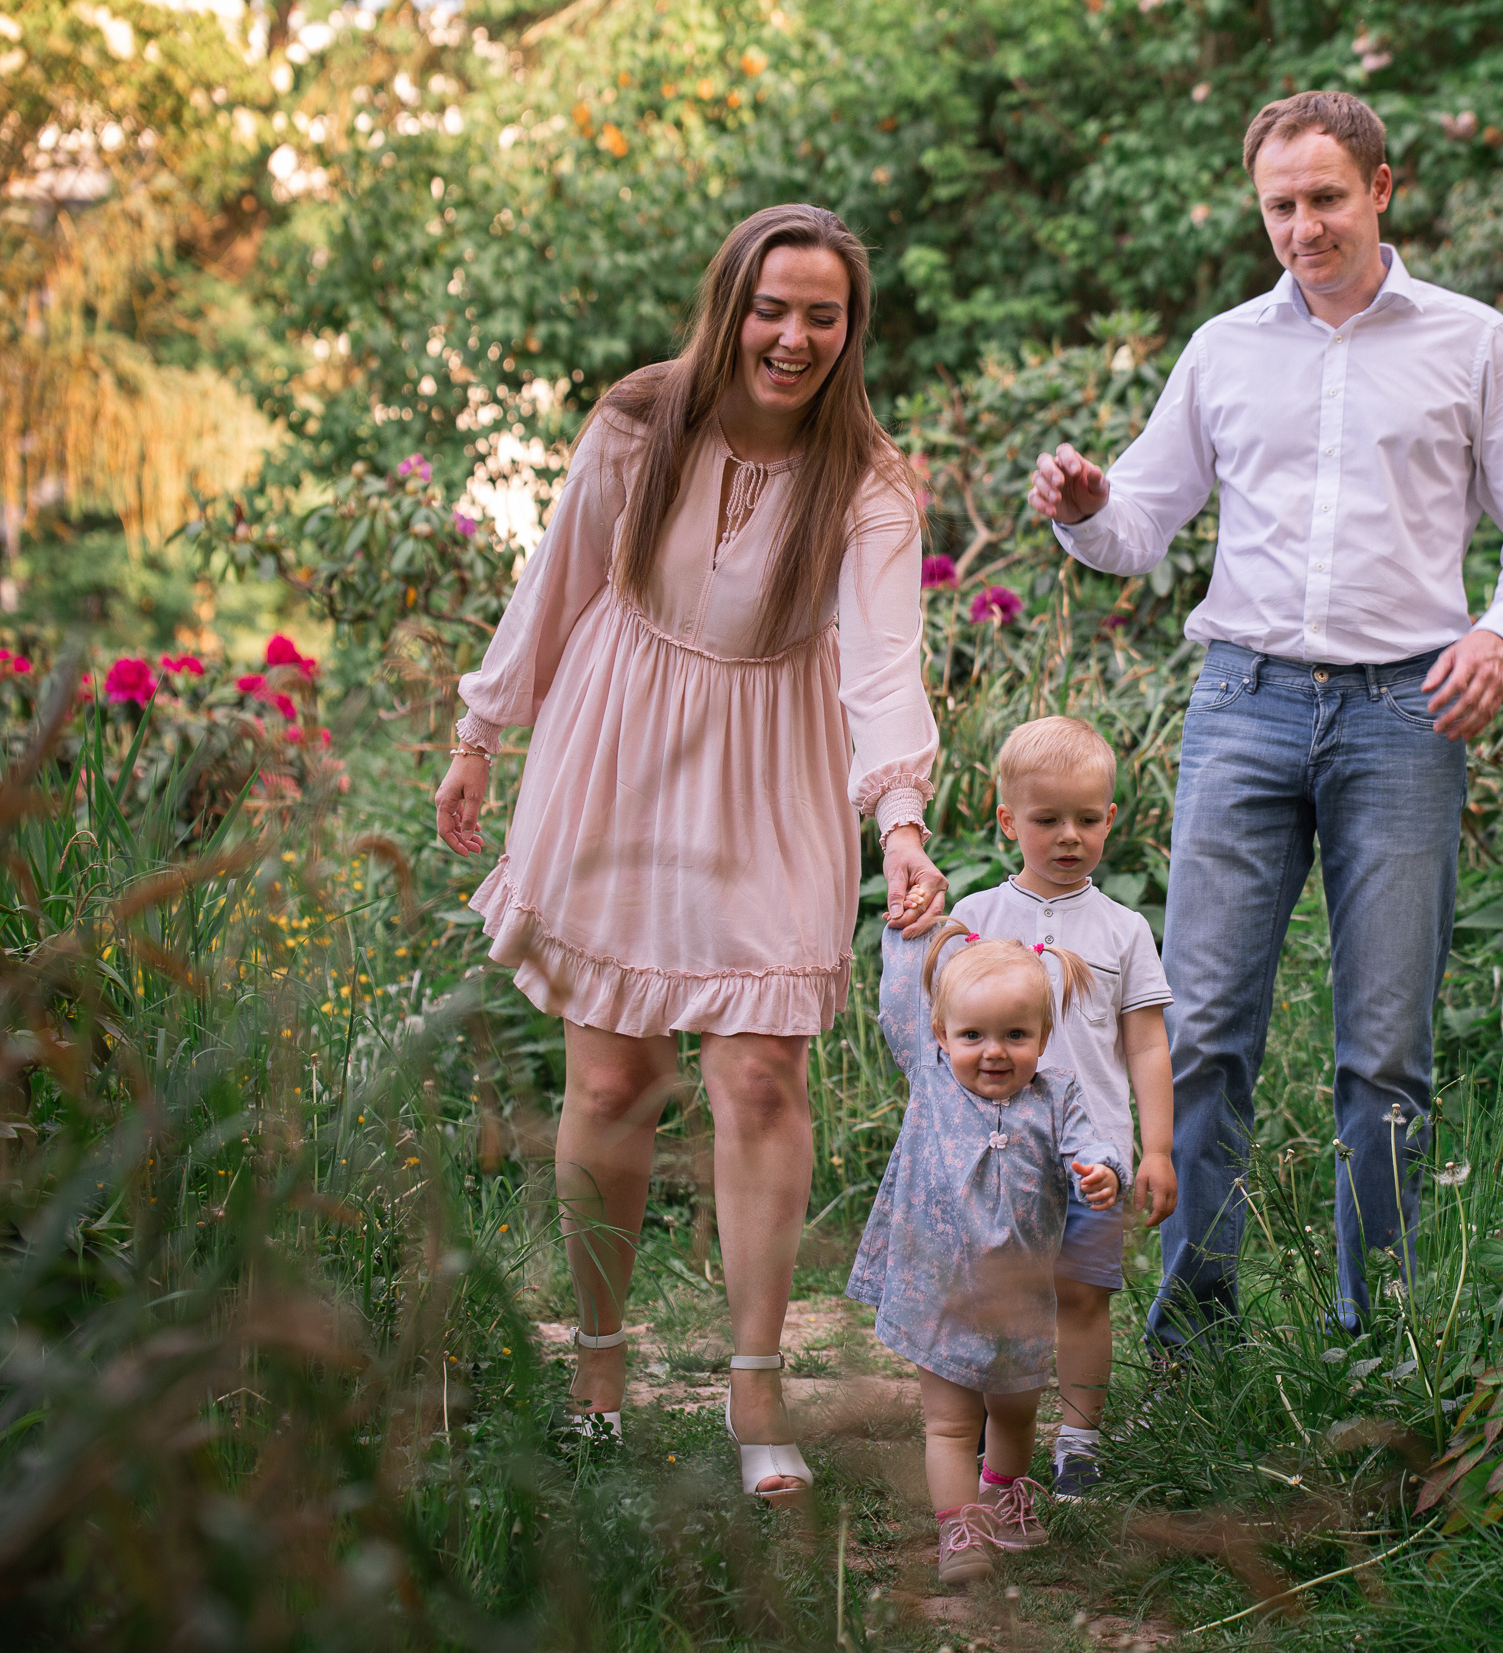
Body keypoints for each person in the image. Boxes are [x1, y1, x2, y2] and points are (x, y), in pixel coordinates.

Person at [1027, 91, 1503, 1345]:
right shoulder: (1223, 349)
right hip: (1245, 705)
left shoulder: (1472, 340)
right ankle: (1194, 1324)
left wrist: (1499, 632)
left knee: (1382, 1050)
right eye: (1278, 205)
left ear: (1381, 188)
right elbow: (1134, 531)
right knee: (1204, 1031)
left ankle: (1374, 1332)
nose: (1300, 227)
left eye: (1324, 198)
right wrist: (1078, 504)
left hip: (1406, 715)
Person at [433, 204, 950, 1505]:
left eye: (822, 315)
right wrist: (481, 733)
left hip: (775, 759)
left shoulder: (873, 480)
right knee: (610, 1083)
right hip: (620, 744)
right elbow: (555, 581)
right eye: (773, 308)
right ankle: (599, 1366)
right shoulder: (639, 424)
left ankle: (754, 1383)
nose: (793, 336)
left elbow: (886, 665)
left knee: (762, 1076)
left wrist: (900, 823)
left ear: (851, 328)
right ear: (733, 307)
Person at [848, 918, 1128, 1584]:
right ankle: (960, 1525)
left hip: (1021, 1294)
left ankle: (1004, 1491)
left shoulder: (1055, 1096)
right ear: (942, 1037)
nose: (994, 1052)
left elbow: (1089, 1144)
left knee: (1015, 1407)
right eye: (973, 1035)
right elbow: (899, 999)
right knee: (949, 1421)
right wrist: (912, 923)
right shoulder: (933, 1080)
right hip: (938, 1290)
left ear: (1044, 1038)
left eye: (1016, 1035)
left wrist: (1100, 1169)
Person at [948, 716, 1175, 1499]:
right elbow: (941, 1035)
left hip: (1094, 1159)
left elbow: (1145, 1045)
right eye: (1048, 819)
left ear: (1112, 817)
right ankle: (986, 1429)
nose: (1069, 835)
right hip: (994, 1152)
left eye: (1087, 817)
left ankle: (1079, 1441)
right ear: (1008, 819)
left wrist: (1155, 1148)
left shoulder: (1124, 929)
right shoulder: (976, 919)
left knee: (1082, 1295)